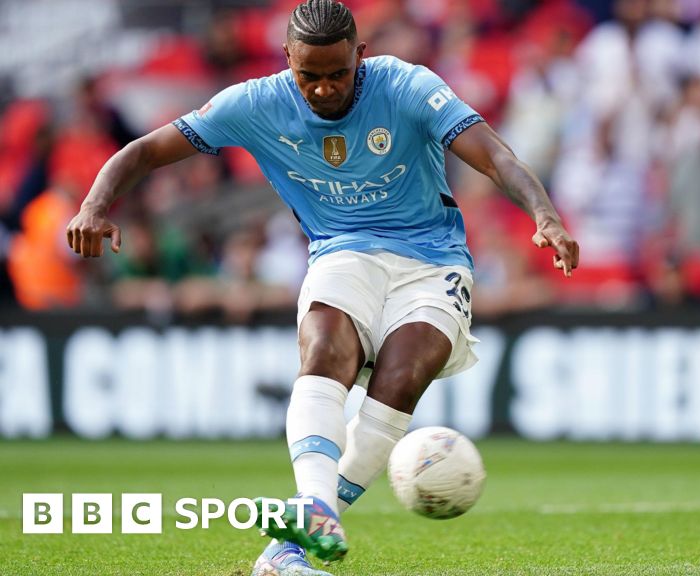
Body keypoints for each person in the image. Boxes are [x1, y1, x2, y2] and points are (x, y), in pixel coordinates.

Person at [65, 1, 580, 575]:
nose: (324, 88)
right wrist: (94, 205)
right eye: (309, 75)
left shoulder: (406, 86)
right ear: (288, 59)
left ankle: (283, 550)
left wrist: (544, 215)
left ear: (361, 54)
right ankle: (313, 507)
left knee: (403, 377)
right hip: (342, 248)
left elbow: (494, 154)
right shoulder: (254, 103)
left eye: (338, 73)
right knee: (326, 350)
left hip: (433, 259)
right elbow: (145, 151)